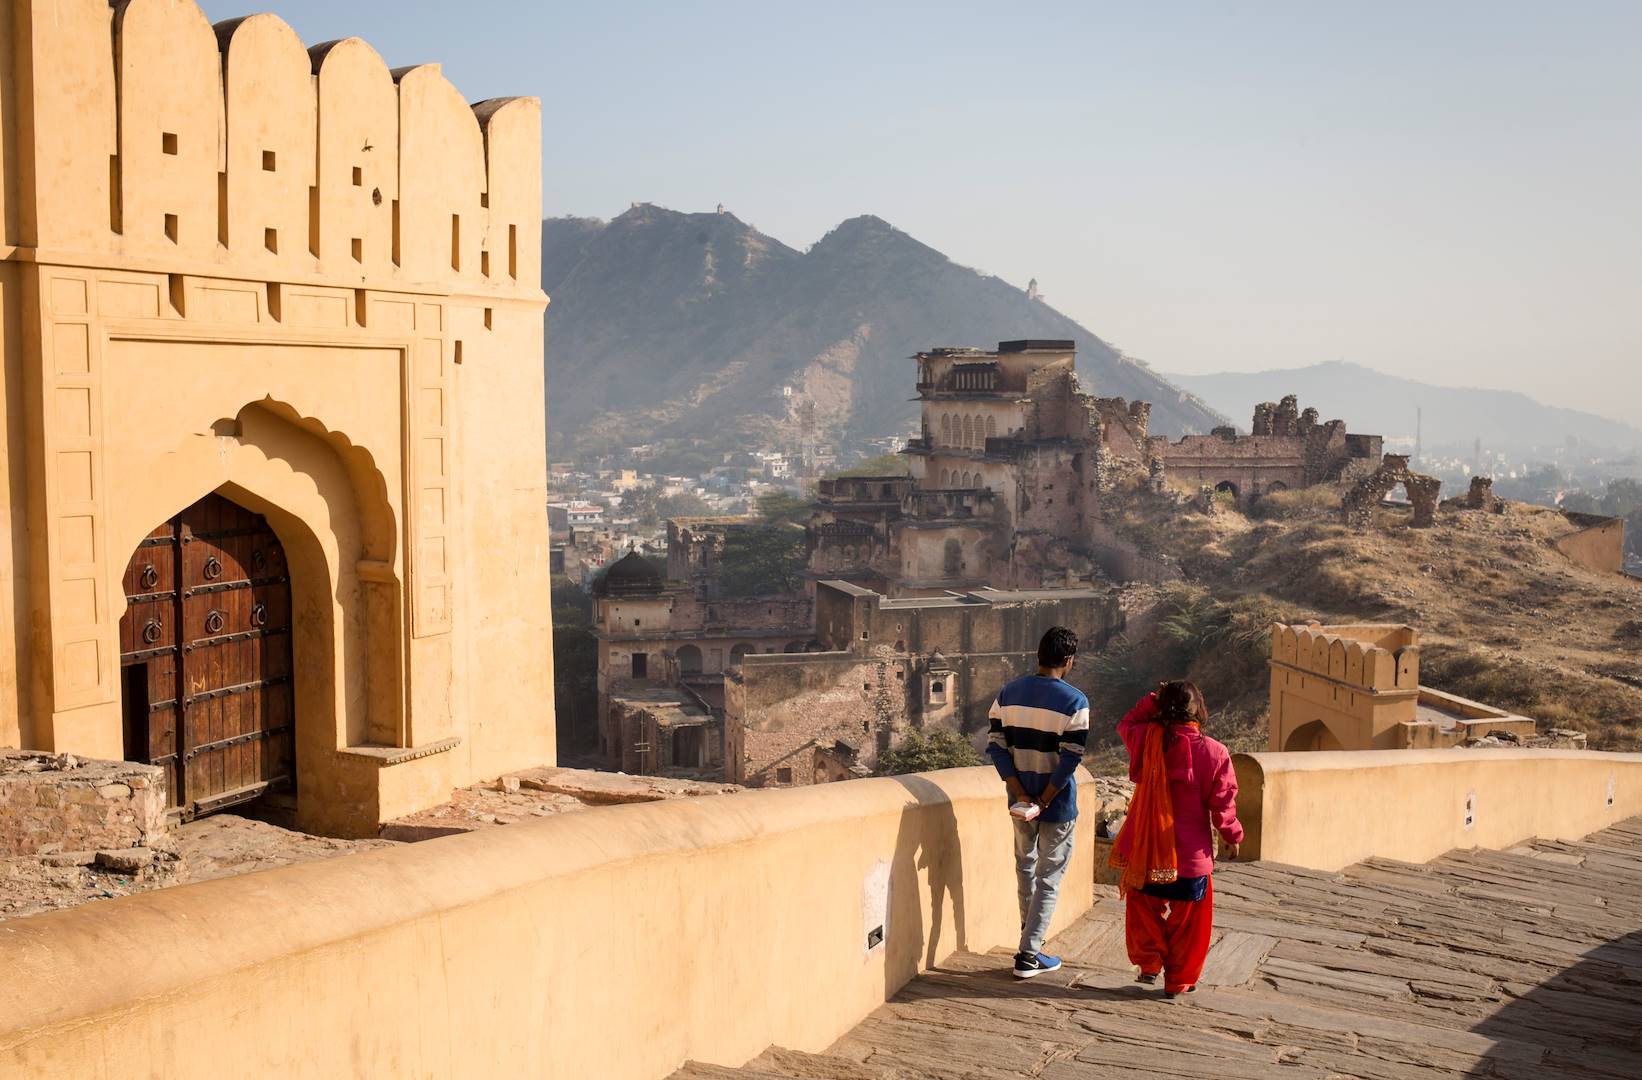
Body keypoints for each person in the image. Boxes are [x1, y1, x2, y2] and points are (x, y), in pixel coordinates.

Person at [1109, 680, 1243, 998]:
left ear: (1164, 710)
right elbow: (1223, 804)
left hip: (1147, 851)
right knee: (1189, 924)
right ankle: (1179, 980)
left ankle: (1150, 962)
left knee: (1142, 907)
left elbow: (1126, 723)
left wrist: (1155, 699)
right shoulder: (1214, 752)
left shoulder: (1146, 740)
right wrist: (1231, 835)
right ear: (1199, 710)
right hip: (1190, 859)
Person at [985, 626, 1090, 978]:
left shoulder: (1007, 694)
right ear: (1068, 660)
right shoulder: (1075, 701)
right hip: (1056, 805)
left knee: (1025, 869)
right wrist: (1045, 798)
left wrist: (1020, 791)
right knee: (1049, 878)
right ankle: (1029, 955)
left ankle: (1029, 943)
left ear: (1039, 655)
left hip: (1019, 801)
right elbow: (1071, 757)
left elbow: (996, 746)